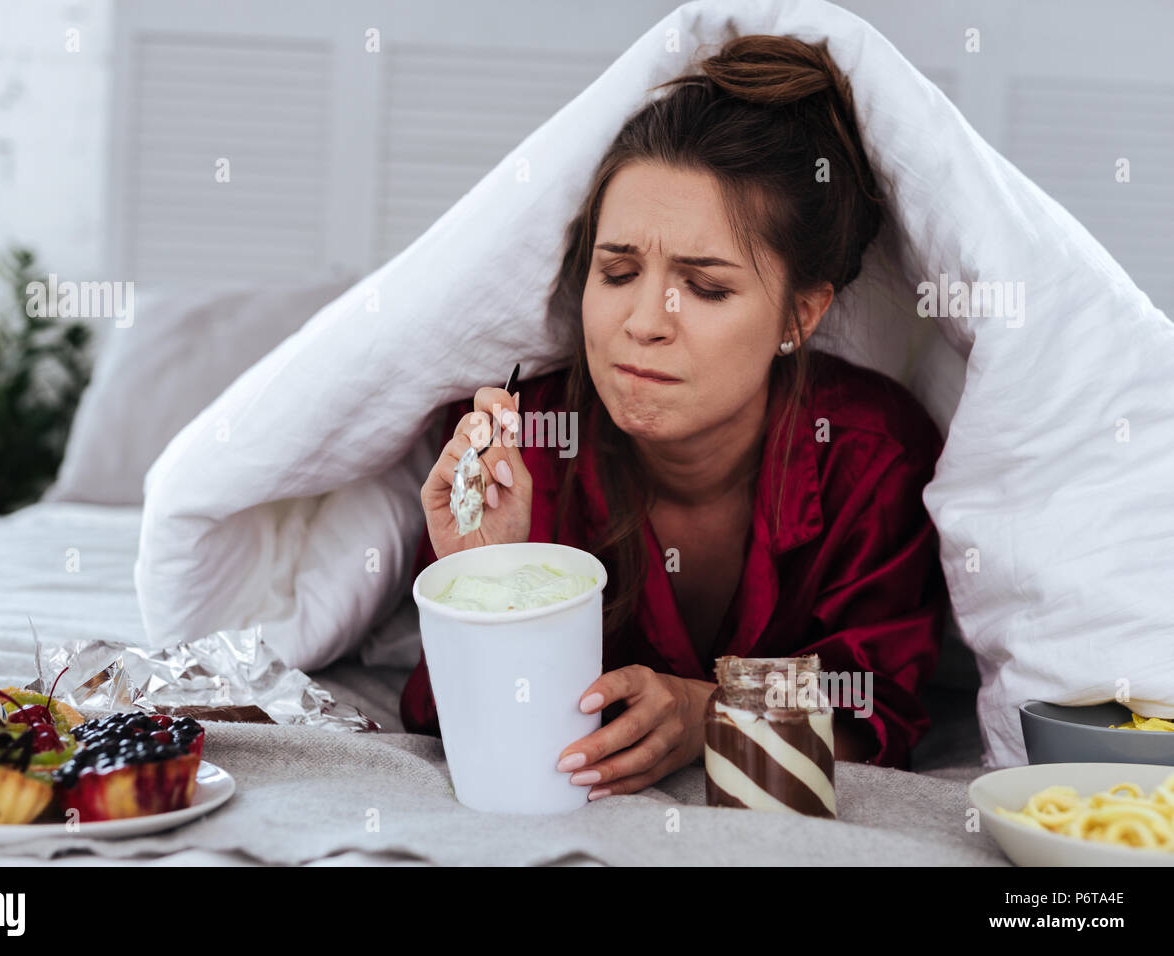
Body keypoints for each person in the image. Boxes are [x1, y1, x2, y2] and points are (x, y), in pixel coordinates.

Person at [401, 35, 949, 799]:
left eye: (706, 288)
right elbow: (437, 719)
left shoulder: (872, 457)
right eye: (618, 272)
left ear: (801, 314)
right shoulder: (518, 451)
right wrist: (482, 574)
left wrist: (716, 712)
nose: (643, 323)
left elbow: (875, 710)